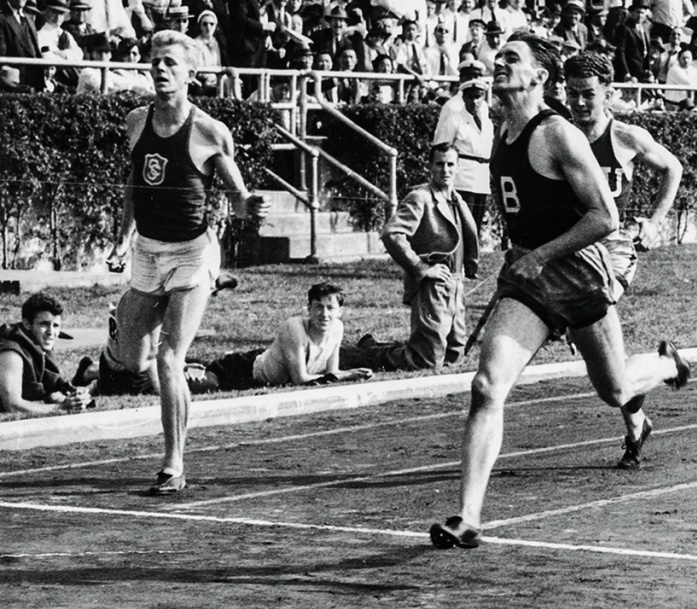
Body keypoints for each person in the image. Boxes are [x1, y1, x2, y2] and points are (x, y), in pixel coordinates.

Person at [428, 33, 690, 549]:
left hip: (576, 273)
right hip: (528, 280)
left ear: (538, 76)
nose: (498, 63)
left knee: (614, 391)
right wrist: (519, 252)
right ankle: (468, 517)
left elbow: (605, 216)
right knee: (486, 386)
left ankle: (665, 366)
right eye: (496, 56)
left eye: (511, 59)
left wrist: (542, 255)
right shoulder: (502, 128)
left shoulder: (558, 135)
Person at [106, 29, 269, 496]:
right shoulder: (136, 121)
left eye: (171, 63)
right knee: (129, 357)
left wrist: (249, 206)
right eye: (155, 61)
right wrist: (123, 237)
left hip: (192, 253)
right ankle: (134, 347)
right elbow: (135, 184)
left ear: (190, 74)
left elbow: (238, 198)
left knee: (167, 358)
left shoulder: (209, 131)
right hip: (148, 252)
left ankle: (173, 463)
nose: (160, 69)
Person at [563, 52, 682, 469]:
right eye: (572, 93)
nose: (579, 103)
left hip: (612, 250)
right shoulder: (557, 135)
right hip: (570, 249)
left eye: (588, 95)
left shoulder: (624, 136)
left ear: (609, 95)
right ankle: (641, 414)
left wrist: (654, 221)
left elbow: (673, 168)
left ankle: (662, 368)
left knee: (587, 318)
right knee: (604, 366)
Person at [338, 143, 479, 372]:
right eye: (439, 164)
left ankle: (373, 347)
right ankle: (358, 355)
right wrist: (421, 267)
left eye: (450, 164)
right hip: (432, 284)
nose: (445, 170)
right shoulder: (420, 197)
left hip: (455, 283)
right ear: (430, 167)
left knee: (454, 356)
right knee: (425, 360)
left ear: (458, 167)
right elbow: (392, 234)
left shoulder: (455, 199)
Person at [192, 282, 372, 391]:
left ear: (340, 311)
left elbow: (331, 372)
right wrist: (348, 375)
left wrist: (350, 374)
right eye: (318, 307)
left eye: (330, 308)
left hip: (264, 366)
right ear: (309, 309)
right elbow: (299, 379)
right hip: (240, 369)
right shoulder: (294, 327)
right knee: (203, 384)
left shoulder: (337, 328)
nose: (324, 314)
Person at [0, 293, 92, 415]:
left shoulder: (37, 346)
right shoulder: (11, 353)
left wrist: (77, 399)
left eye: (55, 325)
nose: (51, 332)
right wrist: (60, 408)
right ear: (27, 324)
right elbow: (12, 405)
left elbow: (50, 395)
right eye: (44, 324)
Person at [433, 65, 493, 234]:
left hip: (481, 179)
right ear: (464, 98)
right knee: (460, 226)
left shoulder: (487, 121)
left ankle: (473, 260)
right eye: (471, 97)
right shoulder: (454, 117)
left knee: (476, 227)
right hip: (463, 178)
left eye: (478, 97)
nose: (475, 102)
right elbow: (441, 146)